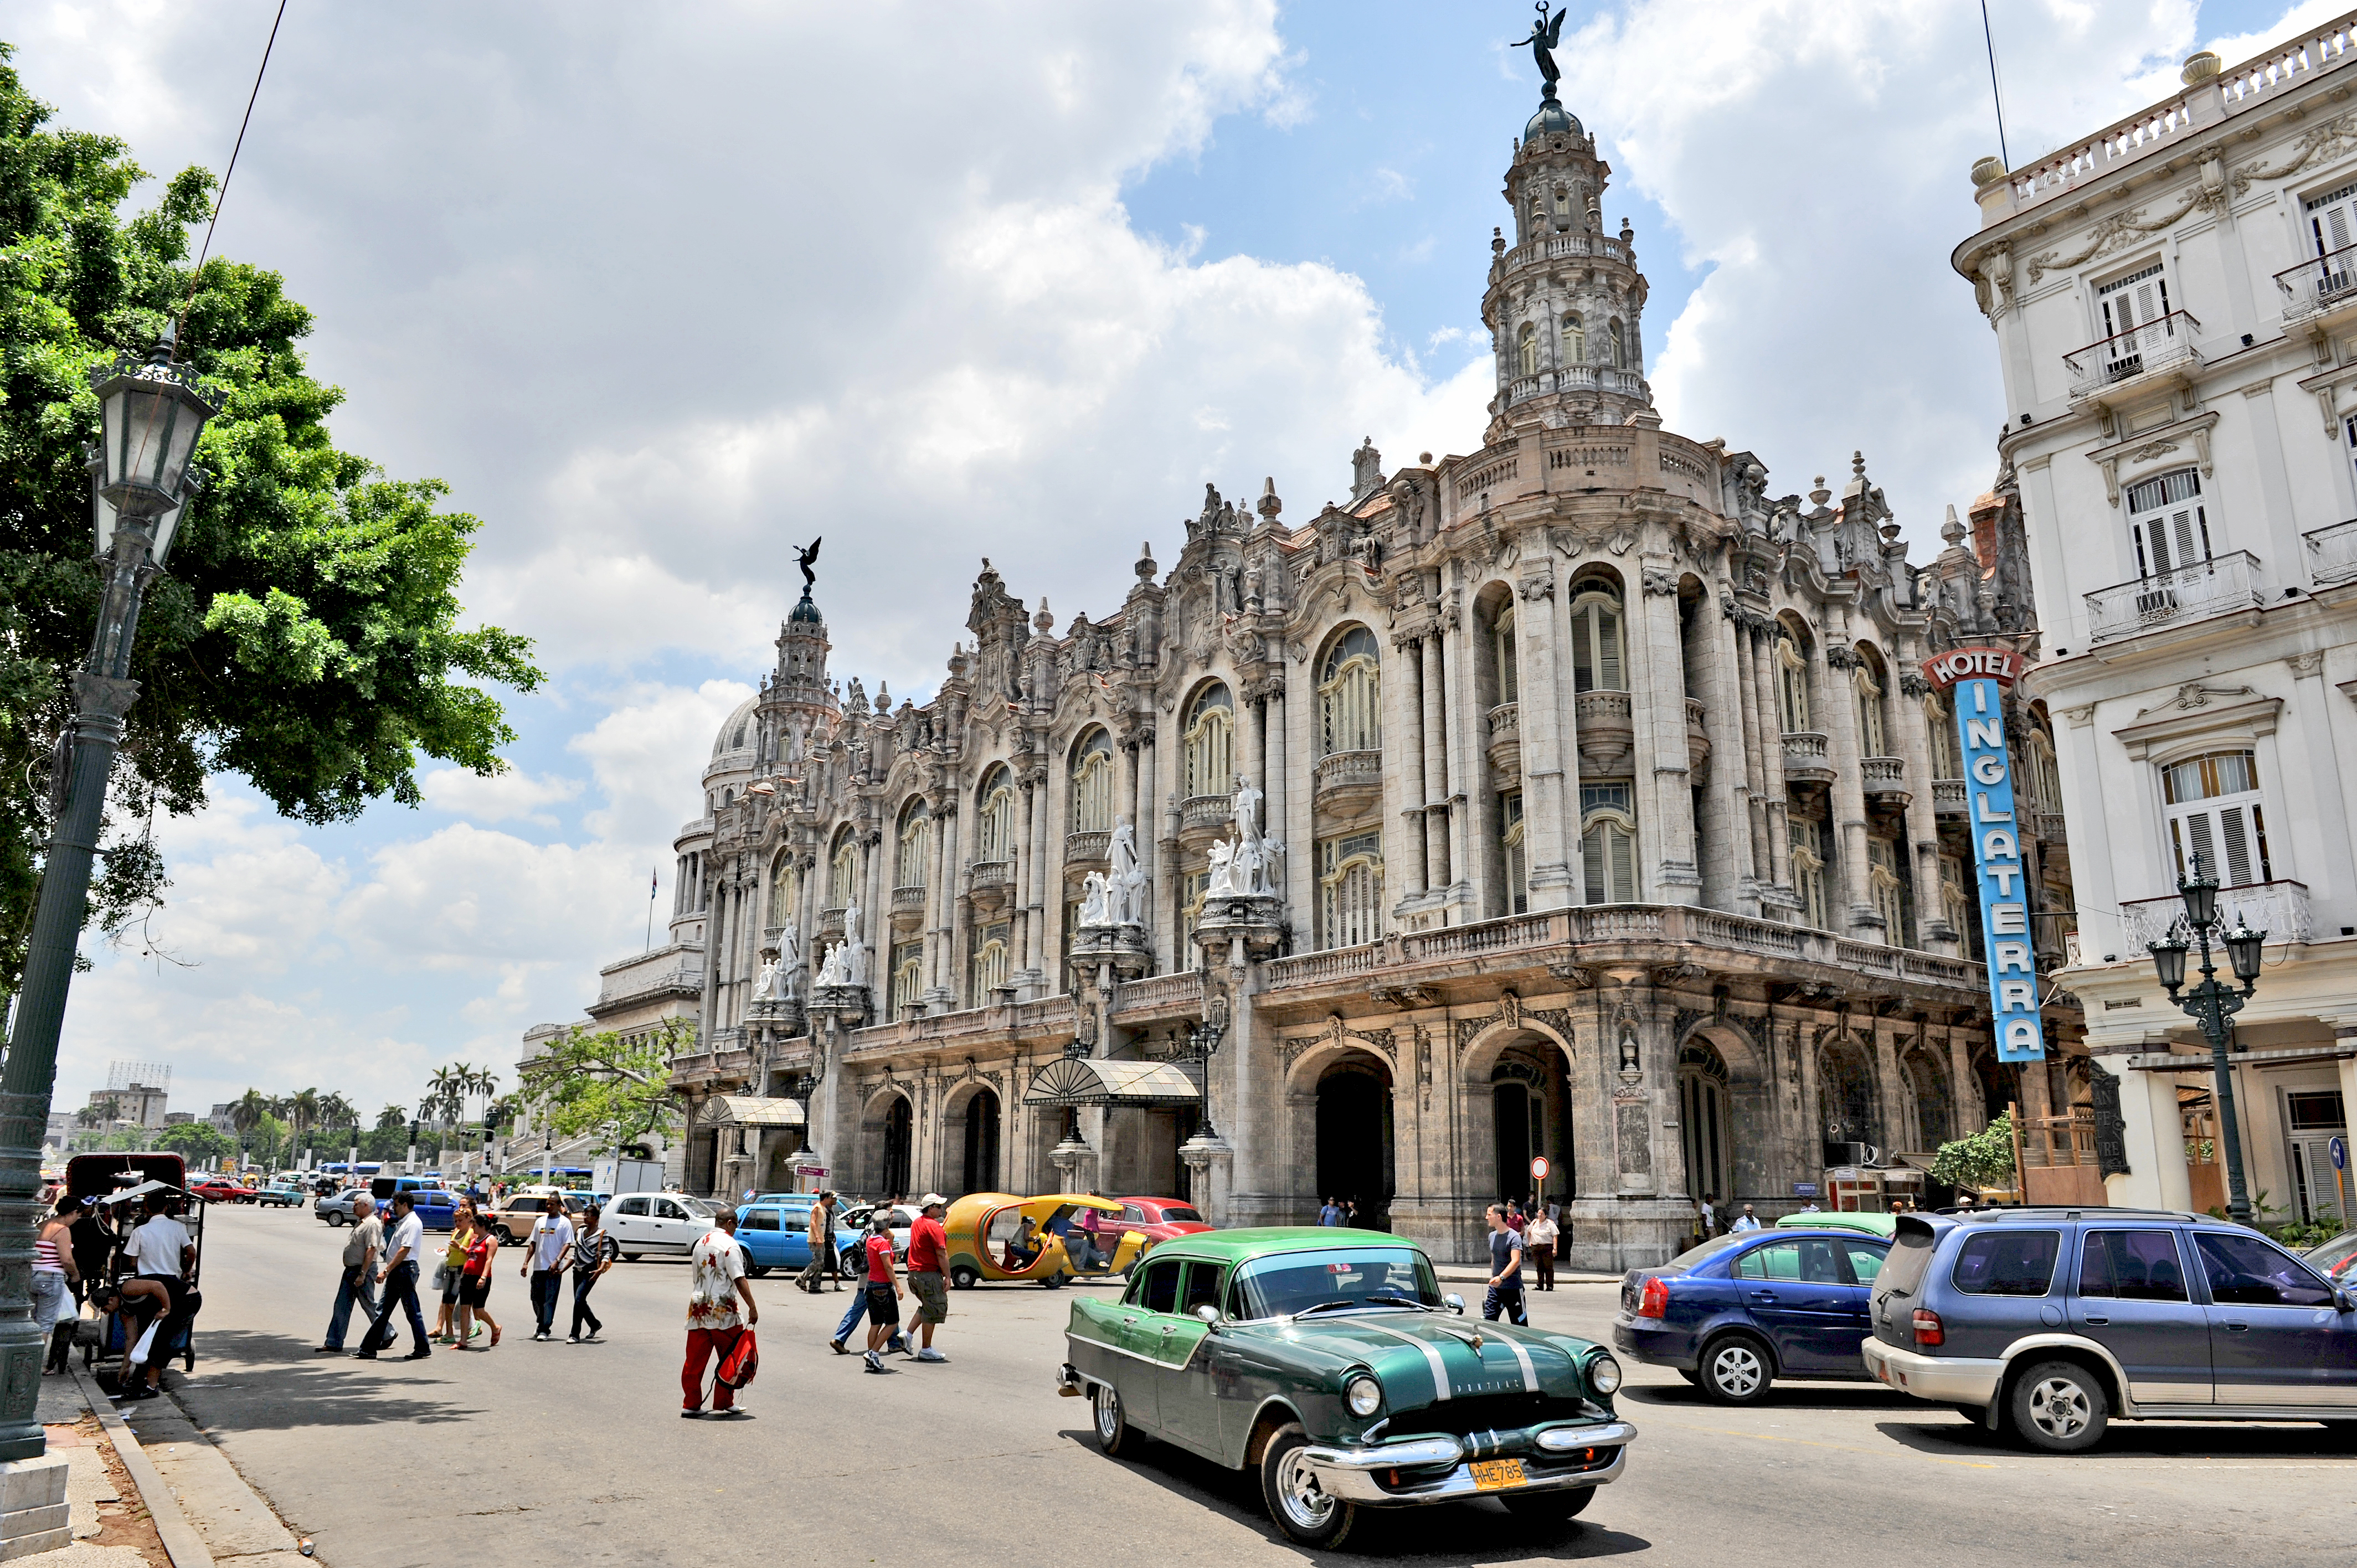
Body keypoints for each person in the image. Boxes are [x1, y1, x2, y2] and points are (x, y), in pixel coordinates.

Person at [682, 1207, 757, 1417]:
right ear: (731, 1223)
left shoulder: (701, 1243)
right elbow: (739, 1278)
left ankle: (691, 1403)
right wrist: (752, 1306)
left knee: (694, 1360)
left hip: (699, 1308)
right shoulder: (730, 1245)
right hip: (724, 1310)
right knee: (731, 1357)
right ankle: (724, 1401)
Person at [122, 1192, 194, 1399]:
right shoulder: (178, 1227)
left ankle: (142, 1381)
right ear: (166, 1208)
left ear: (146, 1208)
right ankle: (144, 1381)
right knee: (161, 1335)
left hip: (148, 1287)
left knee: (147, 1333)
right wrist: (186, 1270)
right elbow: (191, 1252)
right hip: (172, 1284)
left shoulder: (141, 1231)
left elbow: (132, 1261)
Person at [356, 1192, 431, 1361]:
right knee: (384, 1311)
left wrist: (387, 1270)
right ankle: (368, 1349)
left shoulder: (412, 1223)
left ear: (405, 1205)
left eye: (397, 1205)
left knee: (411, 1312)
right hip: (399, 1270)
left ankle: (422, 1347)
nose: (394, 1209)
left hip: (404, 1270)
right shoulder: (405, 1222)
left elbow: (405, 1250)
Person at [316, 1193, 380, 1355]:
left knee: (369, 1305)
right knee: (342, 1305)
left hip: (362, 1269)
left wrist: (363, 1274)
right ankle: (334, 1342)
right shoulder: (361, 1223)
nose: (353, 1206)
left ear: (366, 1206)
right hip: (351, 1269)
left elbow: (371, 1250)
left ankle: (387, 1332)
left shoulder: (373, 1224)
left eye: (357, 1204)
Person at [35, 1193, 83, 1374]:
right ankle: (34, 1365)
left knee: (33, 1321)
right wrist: (76, 1275)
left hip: (34, 1277)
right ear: (72, 1213)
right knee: (45, 1324)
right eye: (78, 1215)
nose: (77, 1219)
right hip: (50, 1278)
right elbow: (67, 1260)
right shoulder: (62, 1230)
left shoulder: (41, 1226)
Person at [902, 1194, 950, 1364]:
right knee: (935, 1308)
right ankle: (926, 1349)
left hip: (914, 1273)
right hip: (928, 1274)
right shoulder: (934, 1226)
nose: (941, 1209)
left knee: (927, 1305)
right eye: (938, 1206)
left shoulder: (917, 1223)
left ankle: (907, 1334)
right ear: (931, 1208)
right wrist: (948, 1277)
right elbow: (941, 1253)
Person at [520, 1194, 575, 1341]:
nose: (549, 1207)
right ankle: (542, 1320)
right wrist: (526, 1262)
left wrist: (558, 1260)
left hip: (554, 1269)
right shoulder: (540, 1222)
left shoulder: (564, 1223)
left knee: (549, 1300)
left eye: (552, 1204)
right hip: (539, 1266)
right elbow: (533, 1243)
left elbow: (567, 1244)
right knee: (536, 1298)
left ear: (559, 1206)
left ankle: (545, 1329)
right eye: (547, 1204)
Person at [455, 1201, 502, 1349]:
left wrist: (483, 1277)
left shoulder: (490, 1240)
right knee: (464, 1308)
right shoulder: (475, 1240)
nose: (472, 1227)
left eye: (474, 1225)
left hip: (481, 1278)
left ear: (482, 1226)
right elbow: (471, 1255)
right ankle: (463, 1340)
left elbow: (489, 1259)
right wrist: (460, 1248)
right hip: (468, 1276)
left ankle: (495, 1327)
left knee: (478, 1310)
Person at [568, 1204, 617, 1342]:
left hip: (591, 1272)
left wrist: (600, 1270)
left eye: (589, 1215)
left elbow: (606, 1254)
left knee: (579, 1300)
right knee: (580, 1301)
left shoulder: (602, 1234)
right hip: (577, 1271)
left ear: (596, 1218)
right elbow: (575, 1254)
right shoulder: (580, 1232)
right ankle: (594, 1324)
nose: (585, 1217)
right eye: (585, 1214)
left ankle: (574, 1334)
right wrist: (562, 1269)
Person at [860, 1213, 902, 1374]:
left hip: (870, 1285)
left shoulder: (872, 1240)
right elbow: (888, 1267)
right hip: (882, 1286)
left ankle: (872, 1358)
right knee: (892, 1322)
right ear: (887, 1226)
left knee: (876, 1324)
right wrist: (898, 1286)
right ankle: (873, 1353)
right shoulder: (882, 1244)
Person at [1482, 1203, 1527, 1327]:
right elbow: (1494, 1259)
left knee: (1520, 1326)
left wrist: (1501, 1277)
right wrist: (1494, 1278)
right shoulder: (1492, 1236)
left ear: (1498, 1217)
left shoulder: (1514, 1237)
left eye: (1489, 1214)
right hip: (1495, 1289)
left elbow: (1516, 1261)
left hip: (1513, 1289)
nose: (1486, 1218)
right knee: (1488, 1323)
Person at [797, 1192, 840, 1293]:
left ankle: (815, 1286)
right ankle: (802, 1277)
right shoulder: (817, 1208)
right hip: (815, 1240)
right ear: (826, 1198)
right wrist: (817, 1237)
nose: (831, 1200)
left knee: (820, 1263)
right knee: (818, 1261)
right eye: (830, 1198)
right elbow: (813, 1222)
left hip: (822, 1239)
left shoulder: (824, 1209)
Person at [1525, 1204, 1559, 1293]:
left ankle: (1550, 1285)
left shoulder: (1550, 1223)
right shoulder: (1535, 1222)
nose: (1540, 1215)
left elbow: (1555, 1236)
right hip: (1536, 1247)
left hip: (1547, 1247)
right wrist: (1530, 1242)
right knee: (1539, 1267)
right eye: (1539, 1214)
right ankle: (1540, 1284)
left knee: (1548, 1267)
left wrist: (1555, 1248)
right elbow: (1528, 1232)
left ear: (1546, 1215)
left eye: (1542, 1214)